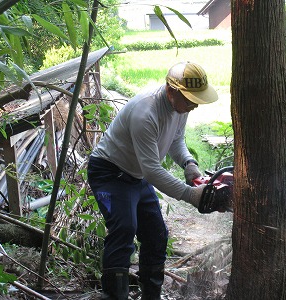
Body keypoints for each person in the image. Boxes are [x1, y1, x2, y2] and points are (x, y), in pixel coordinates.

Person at [87, 61, 219, 300]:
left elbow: (176, 140)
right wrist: (190, 195)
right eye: (190, 99)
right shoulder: (145, 112)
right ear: (171, 91)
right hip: (110, 173)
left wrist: (189, 165)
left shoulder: (180, 109)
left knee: (156, 235)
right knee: (124, 229)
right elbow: (151, 171)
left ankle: (151, 297)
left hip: (136, 174)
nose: (193, 106)